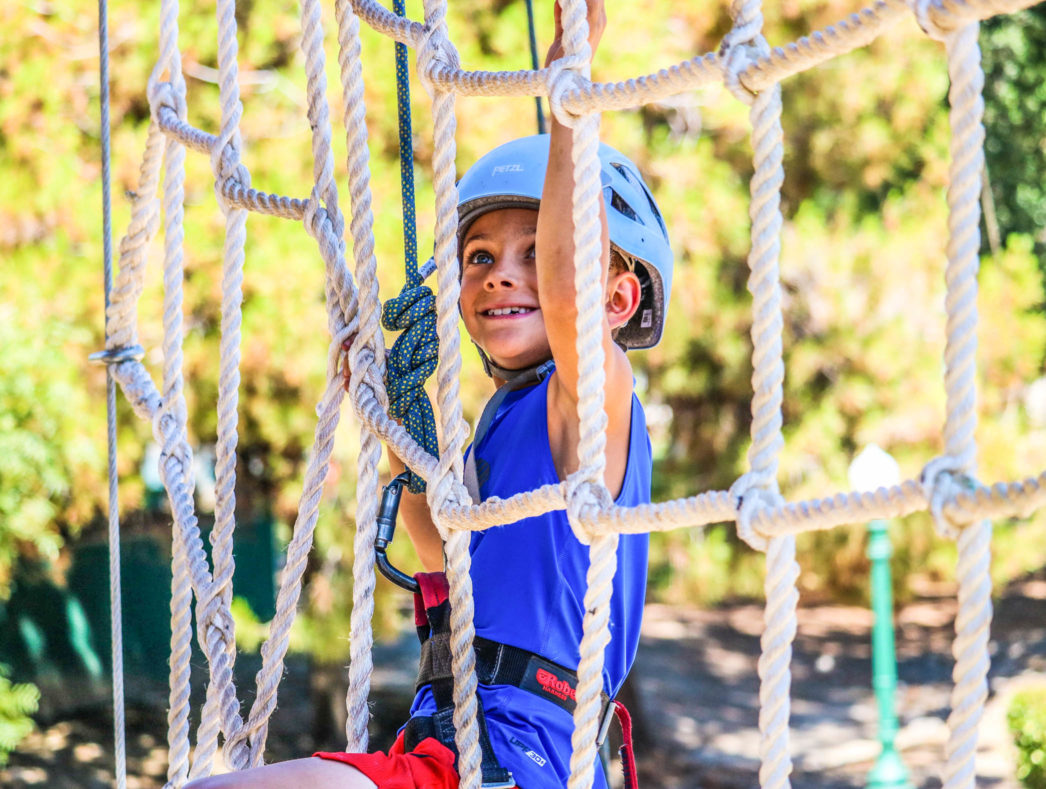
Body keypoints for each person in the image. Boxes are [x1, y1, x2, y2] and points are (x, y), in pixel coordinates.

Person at [186, 0, 671, 786]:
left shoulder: (591, 398)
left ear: (616, 301)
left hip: (513, 761)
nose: (500, 273)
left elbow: (567, 287)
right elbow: (435, 550)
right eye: (477, 256)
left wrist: (569, 105)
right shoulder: (501, 427)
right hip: (446, 753)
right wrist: (398, 415)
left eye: (529, 250)